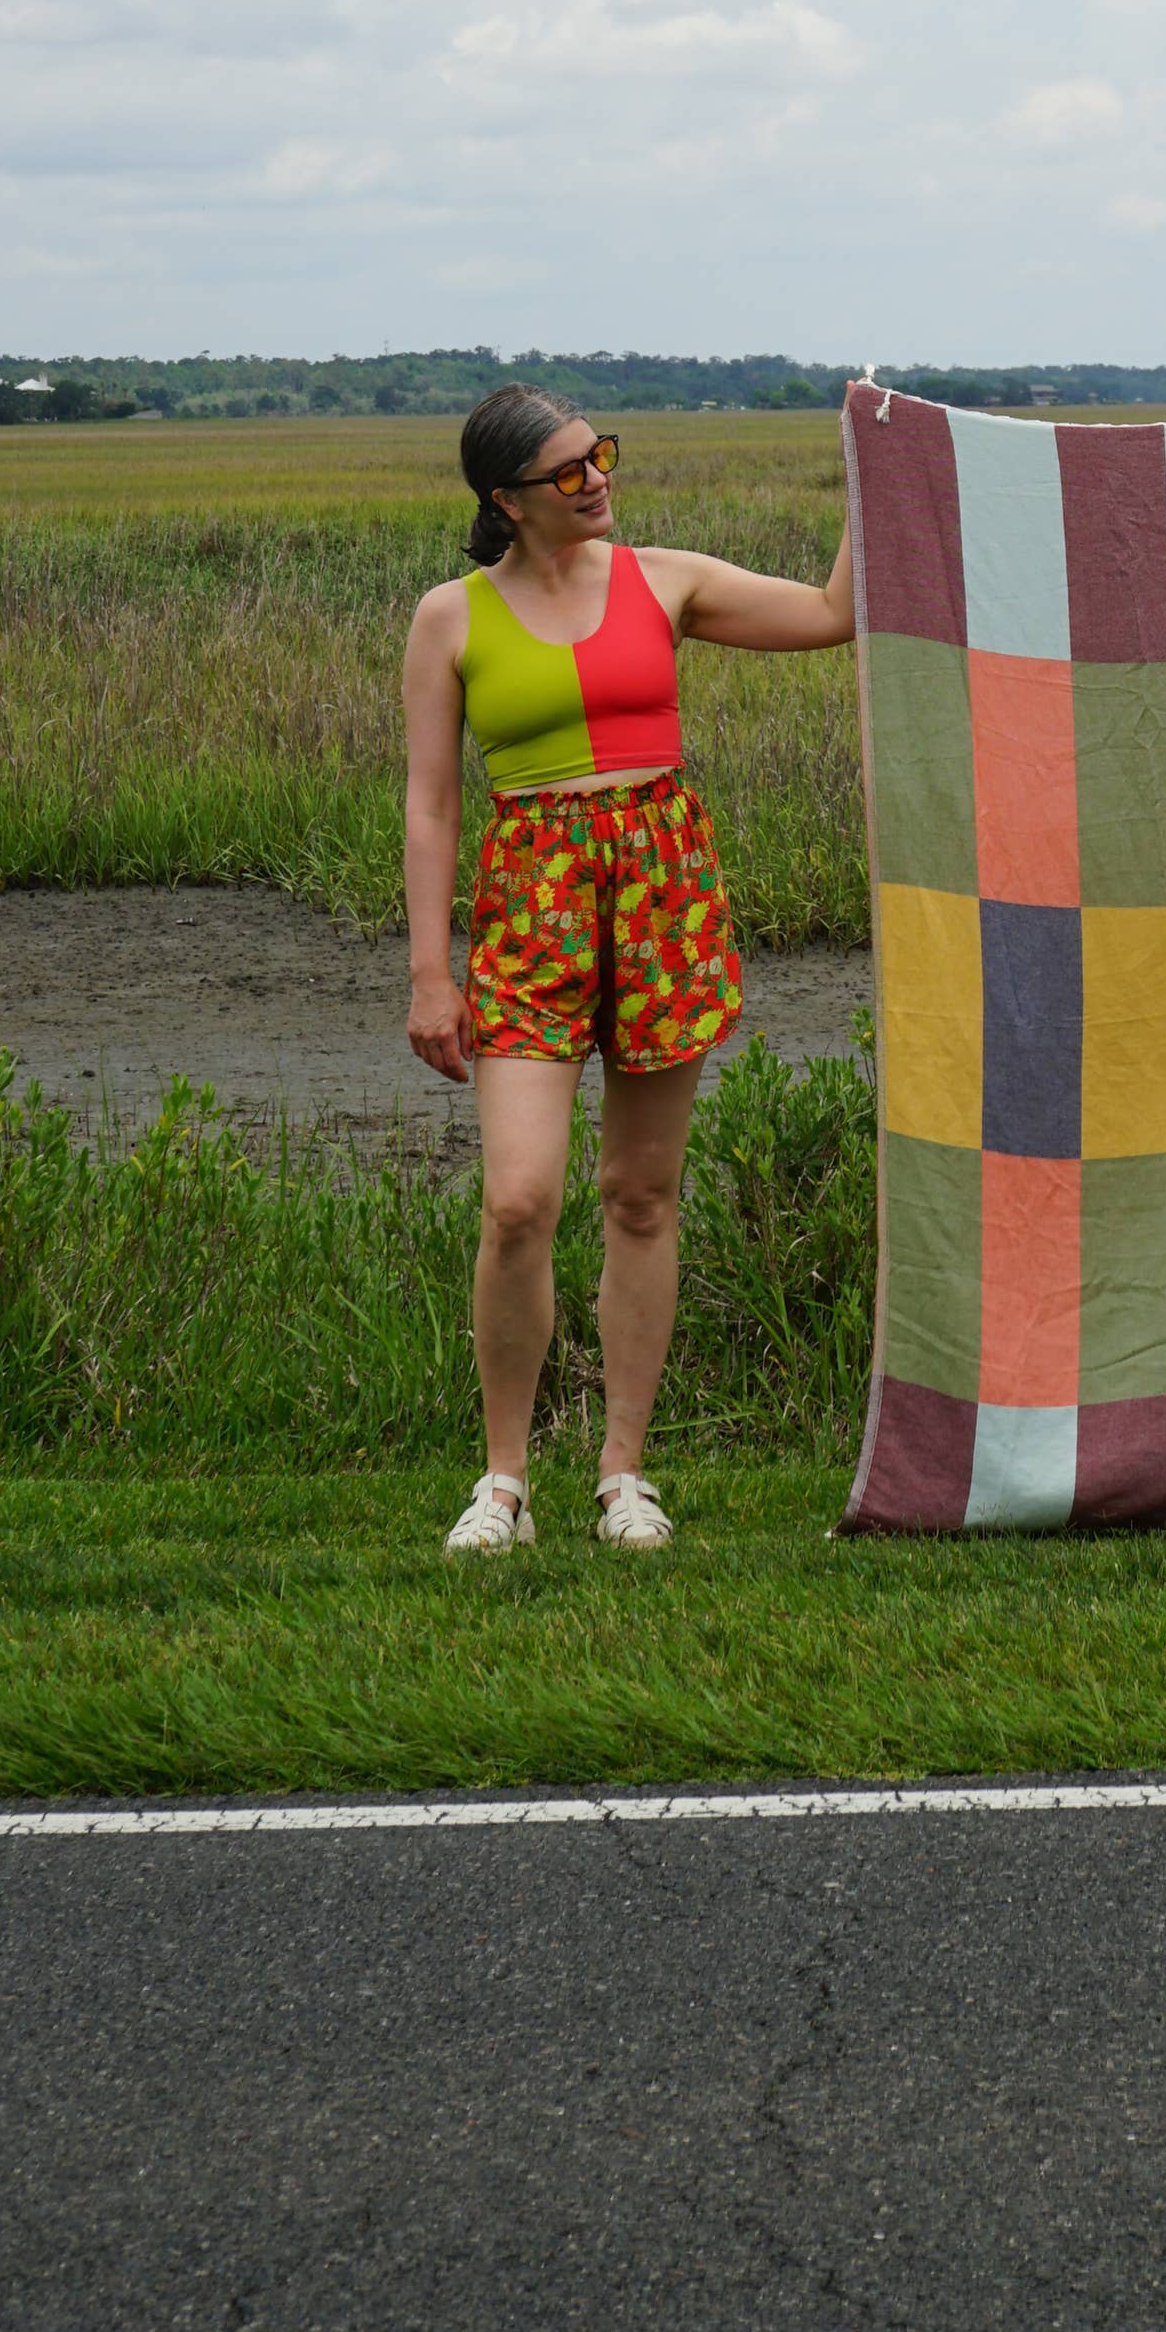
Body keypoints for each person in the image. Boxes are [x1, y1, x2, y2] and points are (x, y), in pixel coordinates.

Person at [402, 382, 853, 1556]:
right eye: (565, 470)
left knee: (641, 1196)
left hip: (661, 892)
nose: (595, 476)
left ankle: (622, 1475)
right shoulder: (449, 615)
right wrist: (427, 972)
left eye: (597, 453)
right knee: (518, 1200)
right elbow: (433, 802)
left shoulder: (665, 579)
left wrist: (877, 467)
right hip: (533, 902)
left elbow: (830, 612)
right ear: (505, 499)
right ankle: (503, 1480)